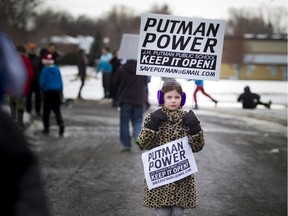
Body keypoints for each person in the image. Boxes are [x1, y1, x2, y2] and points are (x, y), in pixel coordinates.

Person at [0, 30, 50, 216]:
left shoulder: (6, 132)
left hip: (22, 93)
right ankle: (19, 117)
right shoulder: (7, 133)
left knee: (18, 106)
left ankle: (19, 117)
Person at [138, 79, 205, 216]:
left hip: (182, 178)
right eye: (169, 97)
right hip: (160, 178)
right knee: (161, 213)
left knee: (178, 213)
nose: (173, 100)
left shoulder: (188, 118)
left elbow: (198, 146)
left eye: (177, 97)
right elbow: (144, 144)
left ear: (182, 98)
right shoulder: (153, 117)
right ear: (162, 97)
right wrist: (152, 126)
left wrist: (195, 128)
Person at [112, 59, 147, 152]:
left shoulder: (122, 69)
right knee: (138, 121)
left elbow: (114, 82)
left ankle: (126, 145)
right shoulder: (142, 70)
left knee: (124, 123)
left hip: (125, 100)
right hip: (138, 99)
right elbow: (145, 82)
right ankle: (137, 135)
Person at [39, 53, 65, 136]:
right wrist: (61, 91)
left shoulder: (45, 70)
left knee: (46, 111)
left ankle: (46, 128)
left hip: (48, 92)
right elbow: (60, 80)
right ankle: (60, 123)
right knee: (57, 110)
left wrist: (42, 88)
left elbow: (42, 82)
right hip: (56, 92)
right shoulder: (57, 69)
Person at [9, 44, 34, 128]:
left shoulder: (11, 60)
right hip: (22, 85)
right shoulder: (26, 60)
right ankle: (20, 122)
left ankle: (12, 119)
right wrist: (27, 84)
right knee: (20, 103)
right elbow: (30, 74)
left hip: (12, 85)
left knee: (12, 101)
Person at [26, 42, 42, 117]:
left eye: (33, 49)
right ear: (28, 49)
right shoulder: (26, 58)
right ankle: (28, 111)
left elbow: (41, 69)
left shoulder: (38, 58)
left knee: (38, 97)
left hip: (37, 80)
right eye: (31, 49)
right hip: (28, 81)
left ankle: (37, 111)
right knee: (28, 97)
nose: (32, 50)